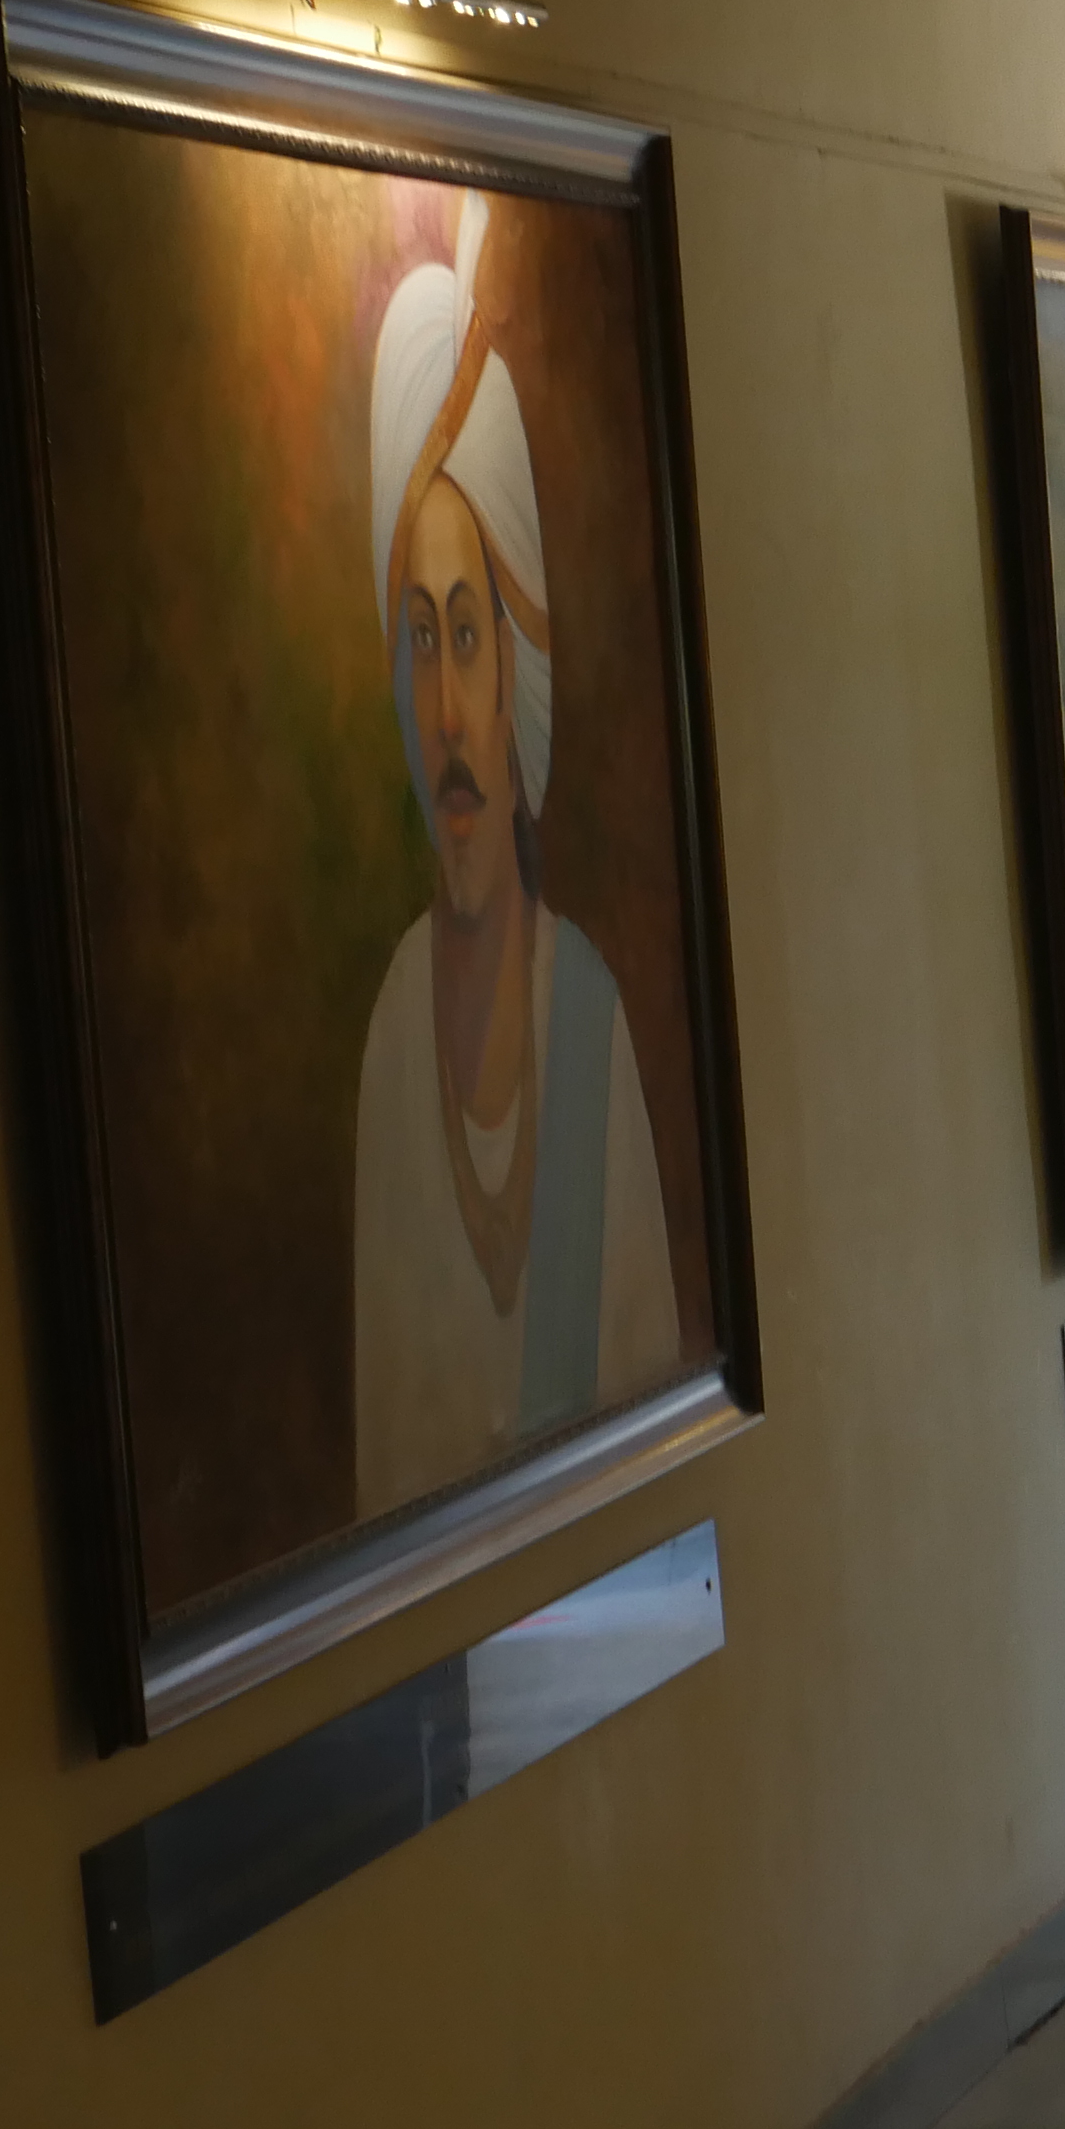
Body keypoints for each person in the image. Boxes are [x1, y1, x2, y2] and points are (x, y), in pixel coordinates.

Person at [349, 226, 683, 1521]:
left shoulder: (588, 1020)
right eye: (420, 641)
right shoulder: (394, 1039)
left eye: (471, 635)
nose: (447, 714)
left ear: (515, 681)